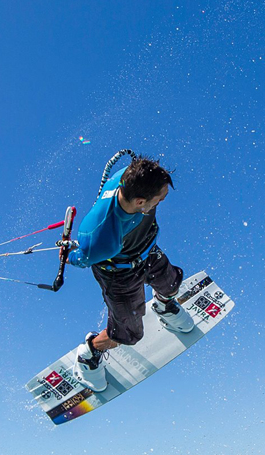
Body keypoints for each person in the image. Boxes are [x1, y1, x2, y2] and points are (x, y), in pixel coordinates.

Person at [64, 156, 194, 392]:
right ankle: (89, 353)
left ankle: (164, 306)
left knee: (171, 283)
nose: (162, 201)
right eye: (159, 200)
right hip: (119, 275)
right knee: (128, 335)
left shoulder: (130, 175)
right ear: (141, 201)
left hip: (147, 251)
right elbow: (79, 259)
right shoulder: (102, 237)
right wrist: (70, 254)